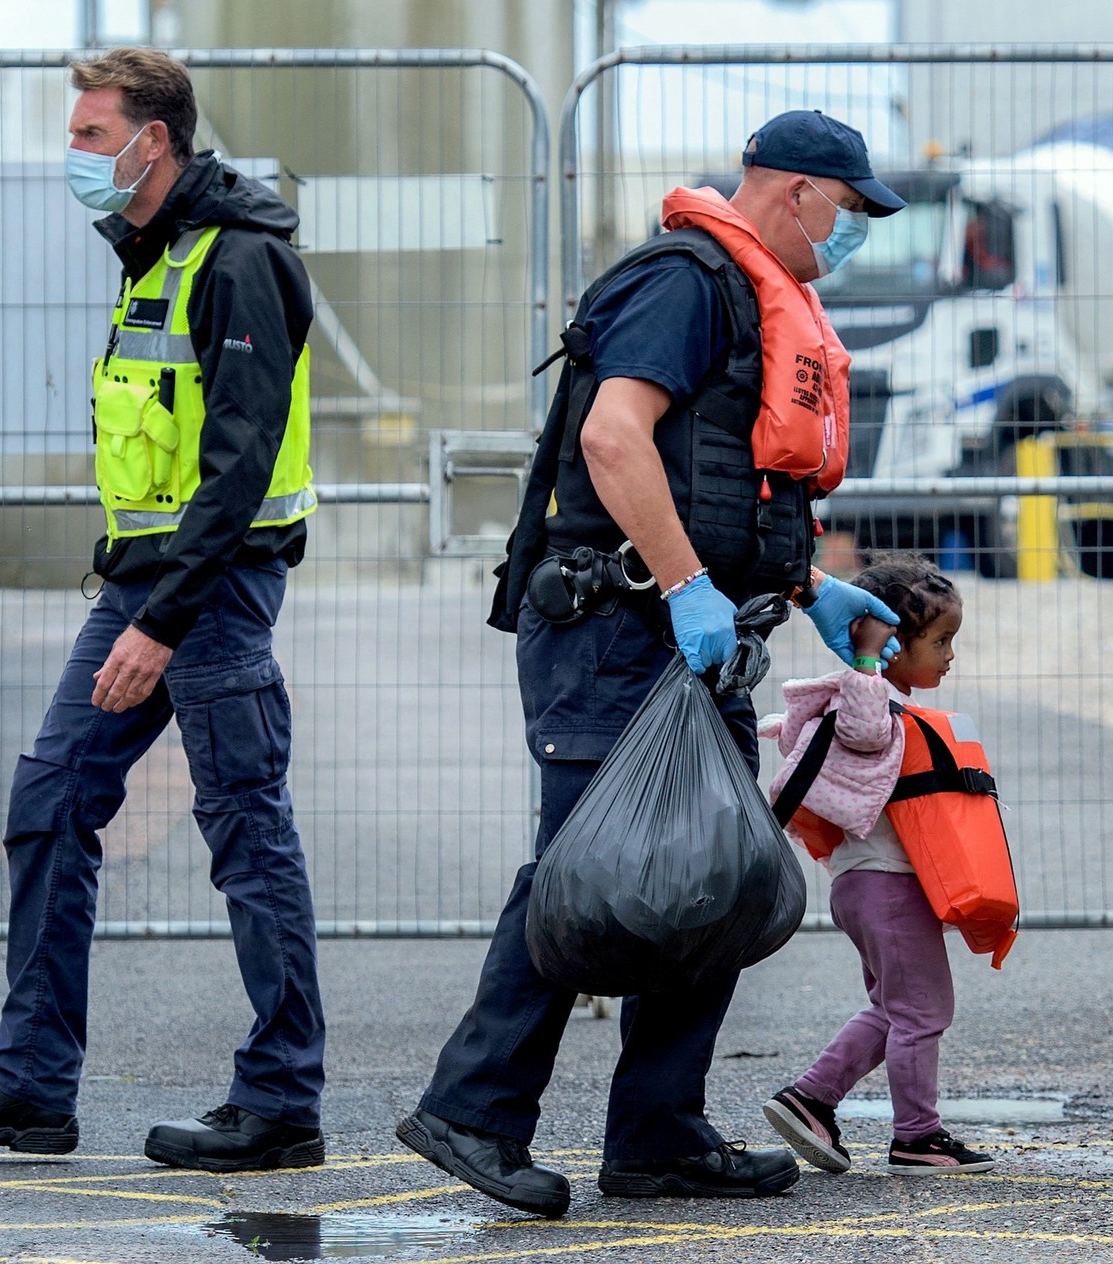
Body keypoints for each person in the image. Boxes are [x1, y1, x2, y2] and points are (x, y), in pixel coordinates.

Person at [396, 110, 906, 1219]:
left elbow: (727, 476)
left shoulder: (754, 293)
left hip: (693, 635)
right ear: (796, 191)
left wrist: (812, 590)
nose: (856, 230)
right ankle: (472, 1110)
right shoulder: (686, 281)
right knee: (592, 871)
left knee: (705, 868)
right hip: (617, 625)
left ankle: (660, 1135)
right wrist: (683, 586)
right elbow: (615, 438)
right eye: (853, 208)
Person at [0, 47, 325, 1174]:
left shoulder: (238, 260)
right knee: (48, 802)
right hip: (148, 580)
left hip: (207, 591)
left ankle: (280, 1100)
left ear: (154, 140)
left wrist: (162, 621)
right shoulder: (156, 253)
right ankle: (32, 1087)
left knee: (245, 831)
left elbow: (235, 466)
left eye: (90, 135)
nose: (73, 153)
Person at [758, 556, 996, 1175]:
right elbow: (864, 728)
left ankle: (810, 1099)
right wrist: (866, 657)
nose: (949, 655)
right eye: (940, 641)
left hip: (869, 888)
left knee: (895, 1009)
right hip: (887, 887)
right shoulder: (870, 698)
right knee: (924, 1012)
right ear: (889, 642)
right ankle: (917, 1136)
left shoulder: (877, 703)